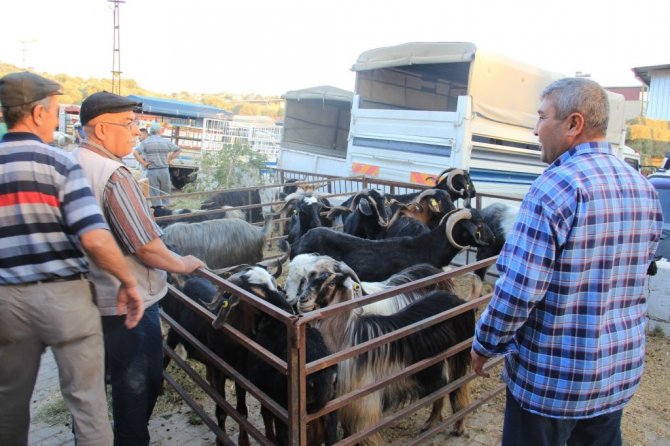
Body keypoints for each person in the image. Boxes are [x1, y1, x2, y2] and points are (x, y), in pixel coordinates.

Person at [470, 77, 663, 446]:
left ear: (574, 124)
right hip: (614, 376)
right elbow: (637, 275)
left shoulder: (555, 186)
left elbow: (519, 289)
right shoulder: (642, 187)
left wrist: (485, 343)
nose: (535, 129)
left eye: (542, 117)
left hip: (551, 384)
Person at [0, 72, 144, 446]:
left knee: (8, 404)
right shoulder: (59, 164)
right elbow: (94, 238)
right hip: (65, 299)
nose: (55, 120)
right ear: (36, 113)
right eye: (54, 111)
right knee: (88, 403)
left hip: (6, 302)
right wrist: (127, 281)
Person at [74, 91, 206, 446]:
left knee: (88, 388)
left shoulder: (71, 162)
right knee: (139, 384)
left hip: (83, 299)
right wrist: (182, 264)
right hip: (128, 306)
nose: (136, 132)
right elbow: (145, 246)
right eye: (129, 123)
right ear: (102, 129)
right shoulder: (114, 175)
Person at [133, 122, 180, 208]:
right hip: (164, 170)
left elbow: (135, 153)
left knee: (154, 193)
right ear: (159, 131)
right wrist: (169, 159)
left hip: (152, 171)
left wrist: (144, 163)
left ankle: (157, 209)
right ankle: (166, 208)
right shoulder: (165, 141)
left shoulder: (146, 142)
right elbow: (178, 150)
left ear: (150, 132)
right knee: (165, 191)